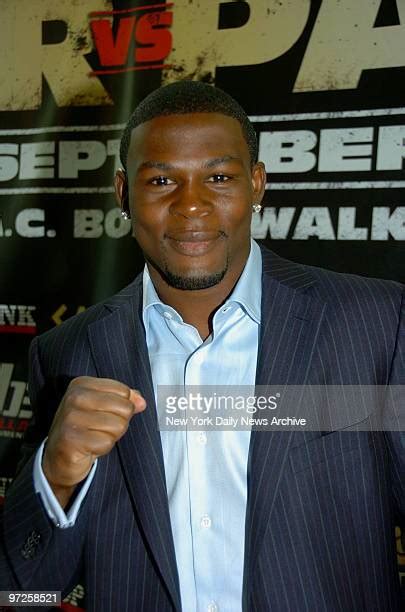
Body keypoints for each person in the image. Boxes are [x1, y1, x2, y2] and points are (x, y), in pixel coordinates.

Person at [1, 81, 404, 612]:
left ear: (257, 184)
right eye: (162, 180)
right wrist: (55, 474)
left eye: (219, 177)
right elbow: (23, 592)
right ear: (123, 193)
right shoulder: (67, 355)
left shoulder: (376, 322)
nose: (191, 205)